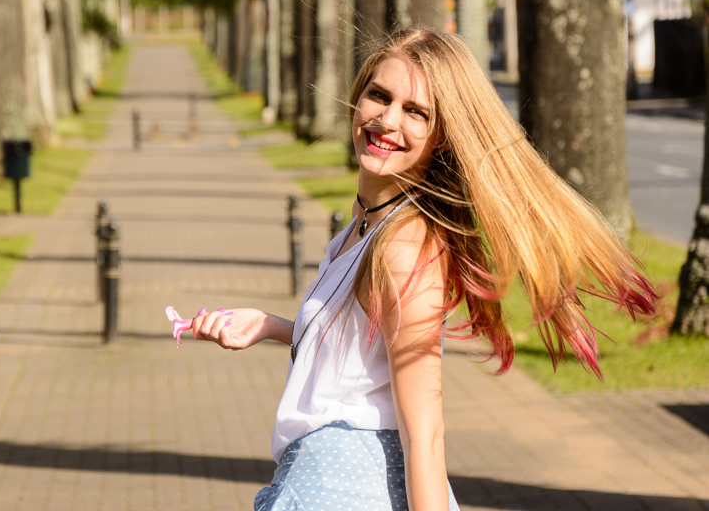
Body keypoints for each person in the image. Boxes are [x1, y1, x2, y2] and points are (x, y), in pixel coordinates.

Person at [182, 26, 657, 511]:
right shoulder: (364, 231)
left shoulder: (403, 247)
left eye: (416, 112)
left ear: (443, 138)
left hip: (345, 489)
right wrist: (271, 326)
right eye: (379, 96)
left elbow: (424, 433)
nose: (387, 120)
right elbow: (359, 359)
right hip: (317, 481)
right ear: (358, 97)